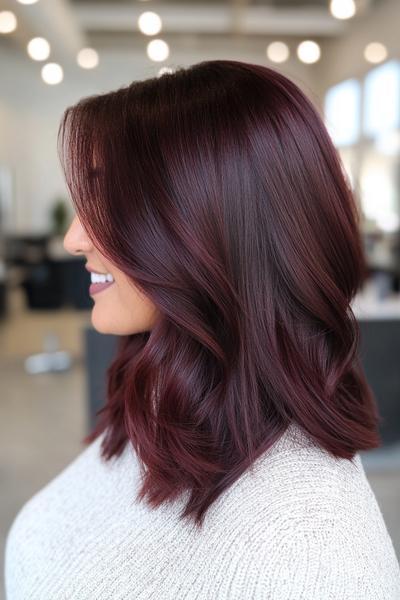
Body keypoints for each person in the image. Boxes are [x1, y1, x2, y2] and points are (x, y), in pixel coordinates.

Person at [4, 59, 400, 599]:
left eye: (109, 200)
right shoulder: (160, 406)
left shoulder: (314, 557)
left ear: (207, 223)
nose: (75, 237)